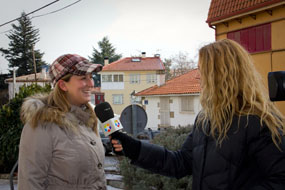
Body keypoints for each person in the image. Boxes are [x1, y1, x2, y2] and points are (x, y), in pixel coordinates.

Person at [111, 39, 285, 190]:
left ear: (222, 76)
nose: (198, 77)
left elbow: (280, 181)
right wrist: (136, 149)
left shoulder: (261, 122)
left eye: (203, 71)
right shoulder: (206, 120)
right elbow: (180, 163)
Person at [18, 54, 107, 190]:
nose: (91, 84)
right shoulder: (42, 125)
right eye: (83, 78)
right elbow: (30, 182)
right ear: (63, 85)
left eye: (91, 77)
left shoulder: (88, 120)